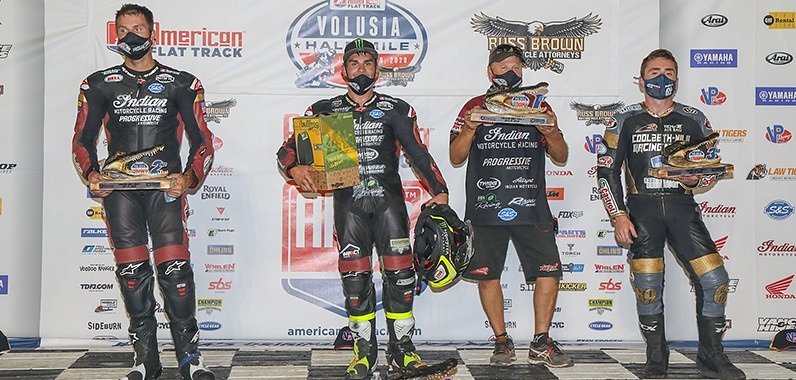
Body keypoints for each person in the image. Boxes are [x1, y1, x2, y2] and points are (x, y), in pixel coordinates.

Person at [277, 38, 449, 379]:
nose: (361, 69)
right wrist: (294, 169)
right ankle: (363, 353)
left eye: (367, 63)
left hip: (390, 206)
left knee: (400, 278)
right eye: (354, 63)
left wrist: (440, 191)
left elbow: (418, 154)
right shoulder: (323, 109)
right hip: (349, 207)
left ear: (377, 70)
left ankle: (403, 352)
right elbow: (287, 152)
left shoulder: (396, 108)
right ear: (344, 70)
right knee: (355, 281)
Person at [71, 4, 215, 380]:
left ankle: (190, 359)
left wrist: (189, 177)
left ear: (154, 33)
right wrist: (91, 174)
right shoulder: (98, 84)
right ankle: (144, 360)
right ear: (115, 35)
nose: (131, 35)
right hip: (120, 193)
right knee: (132, 274)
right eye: (124, 29)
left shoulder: (183, 83)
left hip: (164, 190)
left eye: (138, 28)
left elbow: (203, 141)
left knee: (175, 271)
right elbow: (83, 140)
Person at [596, 49, 745, 380]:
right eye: (654, 71)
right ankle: (655, 354)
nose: (661, 77)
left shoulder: (694, 119)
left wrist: (699, 178)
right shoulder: (622, 119)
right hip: (641, 210)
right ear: (641, 79)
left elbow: (710, 169)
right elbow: (606, 173)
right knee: (648, 285)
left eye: (668, 71)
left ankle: (711, 355)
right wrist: (618, 215)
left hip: (682, 208)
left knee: (715, 281)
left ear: (677, 78)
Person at [449, 44, 573, 368]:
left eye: (516, 65)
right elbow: (455, 157)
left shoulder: (538, 106)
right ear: (490, 71)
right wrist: (470, 128)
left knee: (550, 271)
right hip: (485, 206)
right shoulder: (474, 106)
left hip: (531, 204)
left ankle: (541, 341)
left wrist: (553, 131)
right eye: (503, 65)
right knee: (488, 275)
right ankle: (502, 341)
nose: (510, 70)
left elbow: (561, 156)